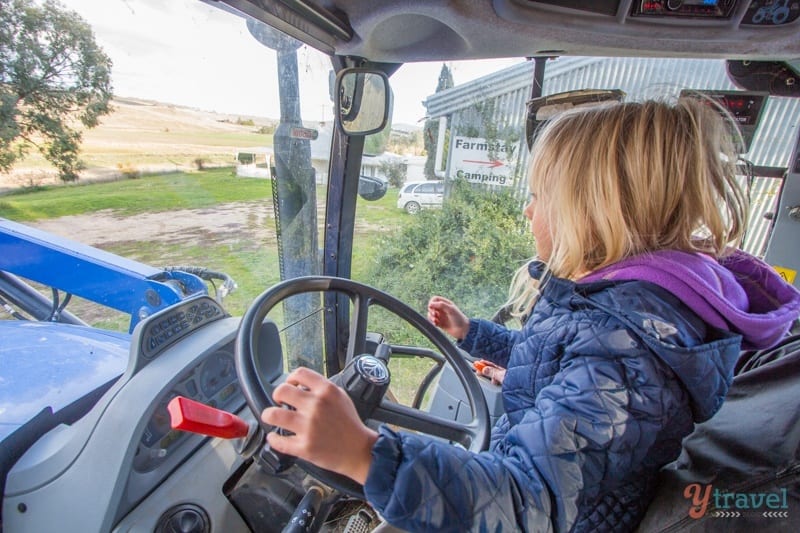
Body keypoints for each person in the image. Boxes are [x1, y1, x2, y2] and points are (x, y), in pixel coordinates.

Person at [261, 98, 800, 532]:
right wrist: (475, 334)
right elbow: (554, 361)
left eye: (541, 195)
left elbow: (526, 500)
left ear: (591, 212)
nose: (528, 209)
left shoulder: (628, 343)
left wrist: (364, 453)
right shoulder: (621, 313)